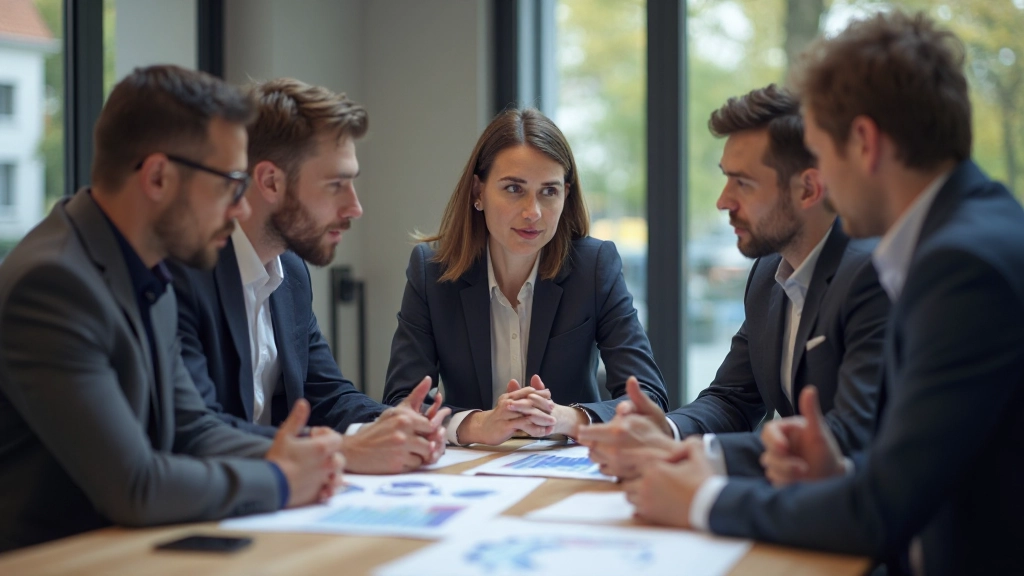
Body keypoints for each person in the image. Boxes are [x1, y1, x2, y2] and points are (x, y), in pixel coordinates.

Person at [622, 12, 1024, 575]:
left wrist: (701, 500)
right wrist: (837, 474)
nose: (823, 182)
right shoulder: (972, 231)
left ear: (864, 143)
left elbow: (881, 510)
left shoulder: (960, 267)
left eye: (821, 151)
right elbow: (917, 473)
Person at [0, 65, 345, 552]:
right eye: (230, 185)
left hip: (133, 549)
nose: (242, 209)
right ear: (158, 177)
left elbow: (192, 429)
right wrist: (282, 480)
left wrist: (315, 454)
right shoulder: (53, 286)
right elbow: (136, 485)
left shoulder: (146, 268)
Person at [578, 85, 888, 481]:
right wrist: (667, 432)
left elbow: (848, 435)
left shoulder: (872, 274)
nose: (723, 201)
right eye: (726, 179)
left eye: (743, 183)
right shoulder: (767, 275)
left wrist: (699, 456)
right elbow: (732, 400)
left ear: (808, 189)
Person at [170, 78, 447, 474]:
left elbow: (326, 395)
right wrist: (343, 449)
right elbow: (199, 430)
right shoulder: (184, 272)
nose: (355, 207)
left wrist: (391, 425)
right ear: (270, 182)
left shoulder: (291, 272)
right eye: (336, 185)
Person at [383, 108, 668, 446]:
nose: (533, 212)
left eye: (549, 191)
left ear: (565, 195)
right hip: (468, 465)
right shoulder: (432, 271)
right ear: (477, 192)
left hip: (567, 464)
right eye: (514, 188)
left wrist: (564, 418)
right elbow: (402, 403)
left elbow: (648, 399)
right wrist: (478, 425)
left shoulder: (593, 267)